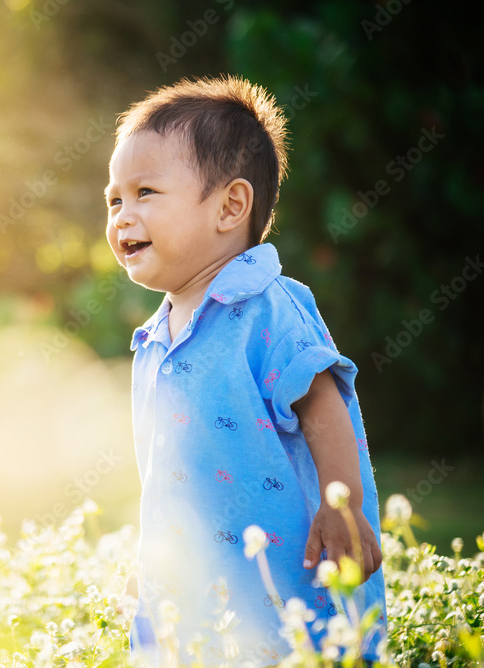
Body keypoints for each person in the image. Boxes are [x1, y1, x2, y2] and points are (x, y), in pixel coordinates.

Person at [105, 75, 387, 663]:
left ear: (231, 206)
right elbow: (167, 478)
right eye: (114, 199)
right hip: (192, 595)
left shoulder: (267, 307)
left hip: (280, 579)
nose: (123, 216)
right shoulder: (156, 338)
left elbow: (322, 403)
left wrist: (342, 504)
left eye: (146, 192)